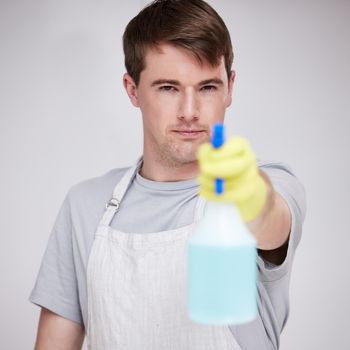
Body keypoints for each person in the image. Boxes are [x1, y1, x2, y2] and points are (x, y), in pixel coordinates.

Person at [30, 1, 306, 349]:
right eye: (168, 88)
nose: (189, 112)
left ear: (230, 87)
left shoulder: (270, 184)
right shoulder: (85, 206)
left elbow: (271, 219)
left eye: (207, 87)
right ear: (132, 89)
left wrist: (252, 197)